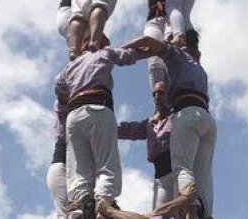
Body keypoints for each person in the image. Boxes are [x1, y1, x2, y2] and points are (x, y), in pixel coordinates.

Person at [123, 34, 215, 219]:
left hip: (186, 112)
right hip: (206, 118)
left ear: (181, 42)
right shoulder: (198, 67)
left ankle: (190, 204)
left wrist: (119, 50)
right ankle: (201, 211)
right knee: (203, 173)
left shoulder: (176, 55)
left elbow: (147, 40)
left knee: (183, 168)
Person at [55, 37, 144, 219]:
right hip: (98, 107)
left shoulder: (70, 66)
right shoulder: (104, 53)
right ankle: (103, 205)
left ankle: (80, 205)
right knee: (106, 164)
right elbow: (129, 56)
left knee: (80, 167)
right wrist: (156, 50)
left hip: (74, 114)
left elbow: (59, 88)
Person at [118, 82, 176, 210]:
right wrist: (109, 129)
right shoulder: (150, 124)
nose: (157, 97)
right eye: (155, 94)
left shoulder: (177, 117)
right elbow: (129, 130)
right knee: (159, 213)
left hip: (177, 169)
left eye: (161, 93)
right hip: (160, 174)